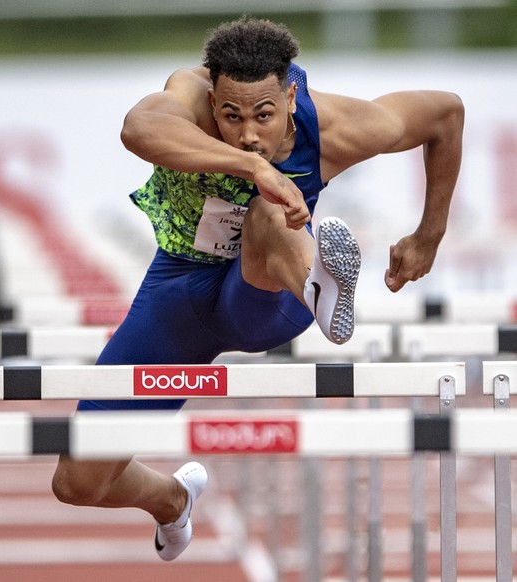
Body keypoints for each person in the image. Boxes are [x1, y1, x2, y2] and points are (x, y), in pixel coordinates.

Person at [52, 16, 464, 561]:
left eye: (264, 116)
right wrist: (252, 166)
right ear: (212, 94)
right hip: (179, 294)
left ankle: (323, 289)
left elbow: (446, 114)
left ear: (291, 96)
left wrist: (429, 233)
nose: (248, 131)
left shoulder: (335, 128)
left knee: (271, 212)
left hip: (266, 293)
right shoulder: (189, 95)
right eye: (231, 115)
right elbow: (137, 129)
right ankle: (173, 500)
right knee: (76, 482)